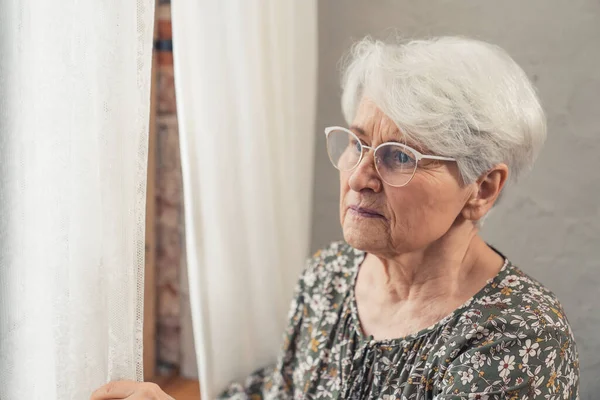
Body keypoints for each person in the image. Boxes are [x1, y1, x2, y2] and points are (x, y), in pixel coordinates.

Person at [92, 36, 579, 400]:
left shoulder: (518, 341)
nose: (359, 175)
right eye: (357, 142)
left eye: (399, 157)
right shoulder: (329, 276)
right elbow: (279, 391)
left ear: (482, 189)